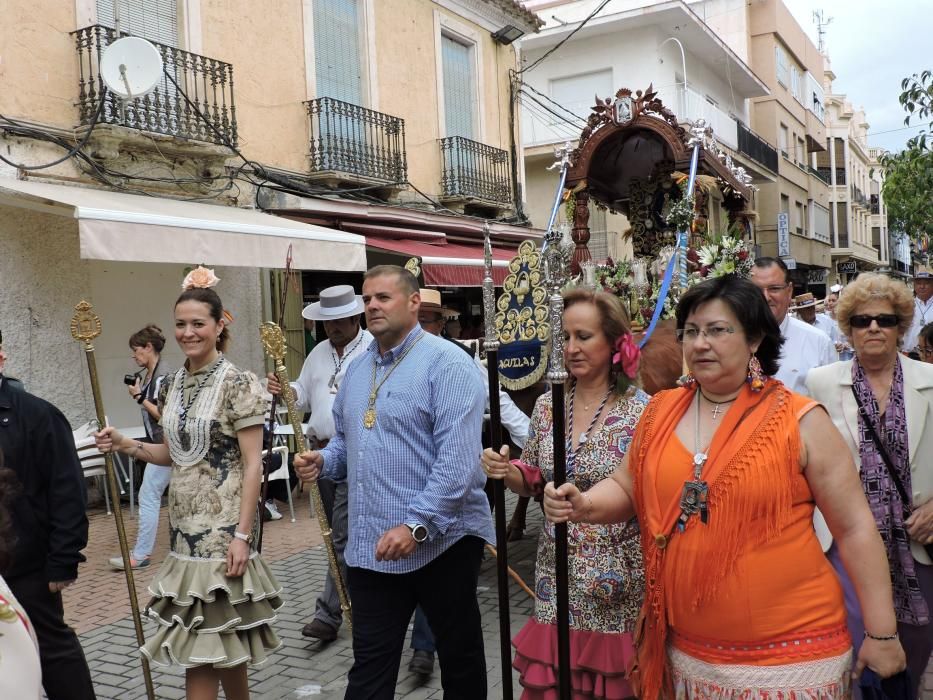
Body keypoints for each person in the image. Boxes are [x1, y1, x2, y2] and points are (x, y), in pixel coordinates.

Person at [543, 275, 906, 698]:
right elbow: (627, 485)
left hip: (794, 659)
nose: (700, 344)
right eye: (692, 332)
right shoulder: (660, 411)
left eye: (717, 330)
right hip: (689, 655)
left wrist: (881, 634)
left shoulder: (801, 419)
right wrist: (583, 504)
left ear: (753, 339)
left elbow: (855, 528)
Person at [293, 265, 492, 699]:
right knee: (369, 665)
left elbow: (458, 465)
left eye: (383, 297)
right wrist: (322, 461)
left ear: (414, 302)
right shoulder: (358, 371)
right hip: (374, 546)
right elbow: (346, 445)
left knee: (459, 660)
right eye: (367, 300)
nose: (372, 306)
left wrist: (416, 525)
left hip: (444, 542)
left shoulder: (448, 364)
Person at [95, 267, 283, 700]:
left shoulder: (238, 383)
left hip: (222, 535)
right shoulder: (171, 384)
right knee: (224, 647)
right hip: (182, 533)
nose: (188, 332)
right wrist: (125, 443)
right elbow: (173, 455)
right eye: (181, 324)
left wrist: (242, 534)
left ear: (219, 326)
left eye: (198, 323)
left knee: (203, 650)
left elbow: (254, 465)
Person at [481, 288, 648, 699]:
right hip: (556, 574)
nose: (571, 349)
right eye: (565, 338)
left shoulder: (643, 410)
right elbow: (534, 478)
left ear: (614, 341)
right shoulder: (548, 404)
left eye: (584, 336)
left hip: (617, 577)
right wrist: (508, 471)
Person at [807, 273, 933, 699]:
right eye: (862, 321)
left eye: (885, 319)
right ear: (848, 328)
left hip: (918, 542)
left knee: (913, 651)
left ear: (901, 326)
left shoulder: (930, 382)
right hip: (845, 543)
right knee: (854, 647)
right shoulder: (821, 383)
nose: (874, 328)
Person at [415, 287, 530, 677]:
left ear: (440, 323)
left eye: (428, 320)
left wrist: (541, 449)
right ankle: (423, 646)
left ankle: (427, 647)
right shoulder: (383, 363)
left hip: (461, 482)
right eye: (417, 319)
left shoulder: (465, 362)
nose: (421, 327)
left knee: (447, 572)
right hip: (408, 486)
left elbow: (505, 409)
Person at [266, 284, 372, 642]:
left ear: (356, 316)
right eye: (327, 322)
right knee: (341, 533)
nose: (333, 328)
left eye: (339, 320)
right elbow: (302, 391)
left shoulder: (373, 348)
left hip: (359, 454)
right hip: (320, 455)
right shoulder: (318, 354)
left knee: (338, 535)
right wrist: (286, 388)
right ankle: (360, 596)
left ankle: (328, 614)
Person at [0, 341, 95, 700]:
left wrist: (63, 560)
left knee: (53, 651)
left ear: (1, 356)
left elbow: (67, 491)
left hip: (27, 566)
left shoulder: (38, 414)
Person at [109, 324, 170, 571]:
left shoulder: (163, 376)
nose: (134, 356)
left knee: (148, 495)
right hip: (160, 444)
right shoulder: (149, 375)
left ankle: (141, 555)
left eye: (136, 350)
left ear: (149, 347)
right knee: (158, 494)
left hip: (168, 446)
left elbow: (164, 415)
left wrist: (139, 398)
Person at [751, 257, 836, 395]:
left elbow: (832, 404)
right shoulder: (732, 342)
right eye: (757, 290)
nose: (765, 297)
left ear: (789, 291)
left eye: (774, 288)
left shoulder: (818, 342)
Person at [903, 268, 933, 356]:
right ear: (914, 285)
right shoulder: (907, 305)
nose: (922, 286)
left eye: (926, 283)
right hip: (909, 354)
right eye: (918, 283)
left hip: (929, 356)